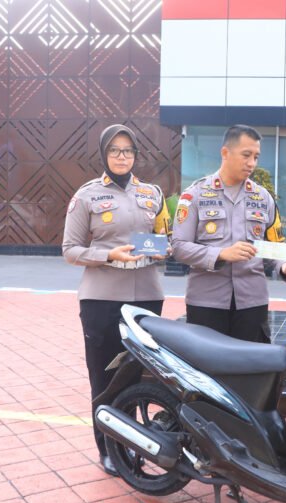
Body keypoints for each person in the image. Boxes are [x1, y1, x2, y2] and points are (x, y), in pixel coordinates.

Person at [62, 124, 170, 476]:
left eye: (128, 151)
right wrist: (109, 255)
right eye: (114, 150)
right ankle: (108, 448)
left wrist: (161, 248)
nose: (122, 157)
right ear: (104, 155)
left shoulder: (152, 194)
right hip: (102, 300)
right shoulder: (87, 196)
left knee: (138, 376)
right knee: (105, 377)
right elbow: (70, 250)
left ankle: (134, 444)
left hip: (147, 298)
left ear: (136, 154)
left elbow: (164, 237)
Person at [171, 125, 286, 342]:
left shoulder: (263, 198)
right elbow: (179, 246)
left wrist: (285, 266)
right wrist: (221, 254)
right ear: (225, 153)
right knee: (208, 361)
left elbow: (272, 248)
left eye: (256, 157)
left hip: (252, 303)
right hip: (207, 302)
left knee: (251, 361)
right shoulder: (195, 195)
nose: (252, 163)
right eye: (246, 155)